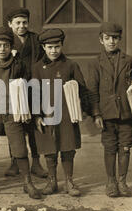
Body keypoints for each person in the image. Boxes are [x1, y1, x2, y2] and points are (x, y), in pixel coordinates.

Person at [0, 27, 42, 200]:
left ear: (11, 46)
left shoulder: (19, 65)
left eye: (5, 45)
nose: (2, 49)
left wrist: (27, 109)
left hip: (13, 113)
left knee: (19, 147)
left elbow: (29, 88)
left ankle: (27, 182)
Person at [86, 22, 132, 198]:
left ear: (120, 39)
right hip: (107, 114)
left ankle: (122, 181)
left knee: (125, 147)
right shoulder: (95, 63)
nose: (111, 41)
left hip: (126, 114)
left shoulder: (130, 60)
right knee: (110, 147)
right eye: (107, 38)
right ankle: (111, 181)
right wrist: (96, 113)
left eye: (115, 38)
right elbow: (92, 91)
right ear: (101, 40)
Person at [33, 28, 92, 197]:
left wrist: (84, 110)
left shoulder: (71, 65)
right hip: (47, 114)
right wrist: (37, 115)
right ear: (43, 47)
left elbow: (82, 89)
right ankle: (52, 181)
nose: (54, 51)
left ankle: (68, 180)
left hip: (67, 114)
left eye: (57, 47)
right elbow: (34, 92)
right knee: (49, 148)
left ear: (62, 46)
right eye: (50, 47)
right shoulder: (37, 68)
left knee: (68, 147)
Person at [4, 8, 47, 179]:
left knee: (34, 127)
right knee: (15, 126)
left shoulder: (36, 39)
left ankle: (36, 162)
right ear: (10, 24)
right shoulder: (6, 41)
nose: (21, 26)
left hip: (33, 87)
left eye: (24, 22)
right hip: (14, 89)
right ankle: (15, 161)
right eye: (17, 23)